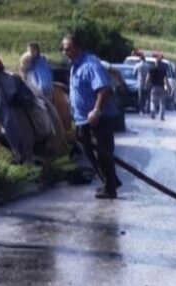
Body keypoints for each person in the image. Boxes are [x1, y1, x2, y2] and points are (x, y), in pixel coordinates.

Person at [62, 33, 121, 200]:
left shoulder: (90, 64)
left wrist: (96, 110)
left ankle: (110, 187)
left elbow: (104, 89)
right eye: (63, 49)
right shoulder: (75, 65)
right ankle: (109, 181)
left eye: (68, 49)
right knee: (88, 151)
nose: (65, 52)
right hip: (83, 118)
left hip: (99, 118)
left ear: (78, 48)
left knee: (103, 153)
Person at [0, 55, 39, 163]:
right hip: (12, 118)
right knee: (39, 118)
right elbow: (28, 98)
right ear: (1, 66)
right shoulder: (13, 78)